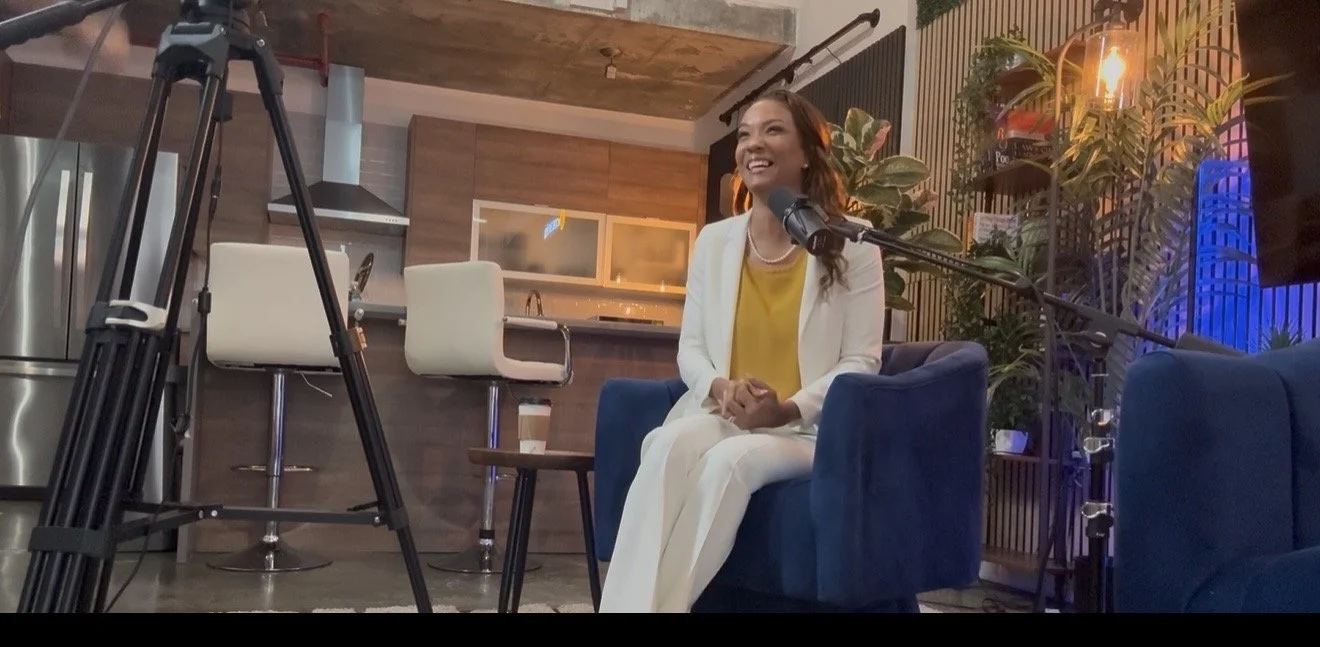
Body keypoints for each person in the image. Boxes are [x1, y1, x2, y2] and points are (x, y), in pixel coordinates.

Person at [598, 88, 887, 613]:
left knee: (728, 464)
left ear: (805, 152)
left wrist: (787, 408)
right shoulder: (716, 241)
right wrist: (720, 387)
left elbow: (861, 362)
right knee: (663, 445)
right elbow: (691, 349)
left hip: (805, 429)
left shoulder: (852, 243)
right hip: (724, 413)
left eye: (773, 130)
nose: (754, 143)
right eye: (746, 134)